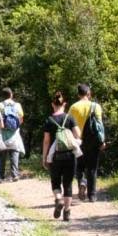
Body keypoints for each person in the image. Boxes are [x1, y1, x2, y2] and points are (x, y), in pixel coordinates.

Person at [42, 91, 81, 221]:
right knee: (68, 183)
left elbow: (47, 141)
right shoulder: (69, 118)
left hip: (55, 156)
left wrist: (44, 157)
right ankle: (67, 211)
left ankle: (58, 199)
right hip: (70, 155)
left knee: (55, 181)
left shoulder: (49, 120)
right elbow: (78, 134)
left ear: (53, 104)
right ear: (64, 104)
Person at [69, 84, 106, 202]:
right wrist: (102, 141)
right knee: (92, 168)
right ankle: (92, 195)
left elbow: (68, 125)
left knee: (80, 166)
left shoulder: (73, 107)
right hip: (93, 141)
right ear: (89, 93)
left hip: (78, 141)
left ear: (78, 94)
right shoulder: (96, 106)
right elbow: (100, 126)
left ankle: (82, 182)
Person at [0, 87, 25, 181]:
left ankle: (1, 175)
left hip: (3, 134)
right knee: (14, 153)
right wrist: (15, 127)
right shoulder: (17, 105)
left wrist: (2, 127)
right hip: (14, 134)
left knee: (2, 155)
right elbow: (21, 119)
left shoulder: (0, 105)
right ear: (11, 94)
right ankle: (14, 175)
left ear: (3, 96)